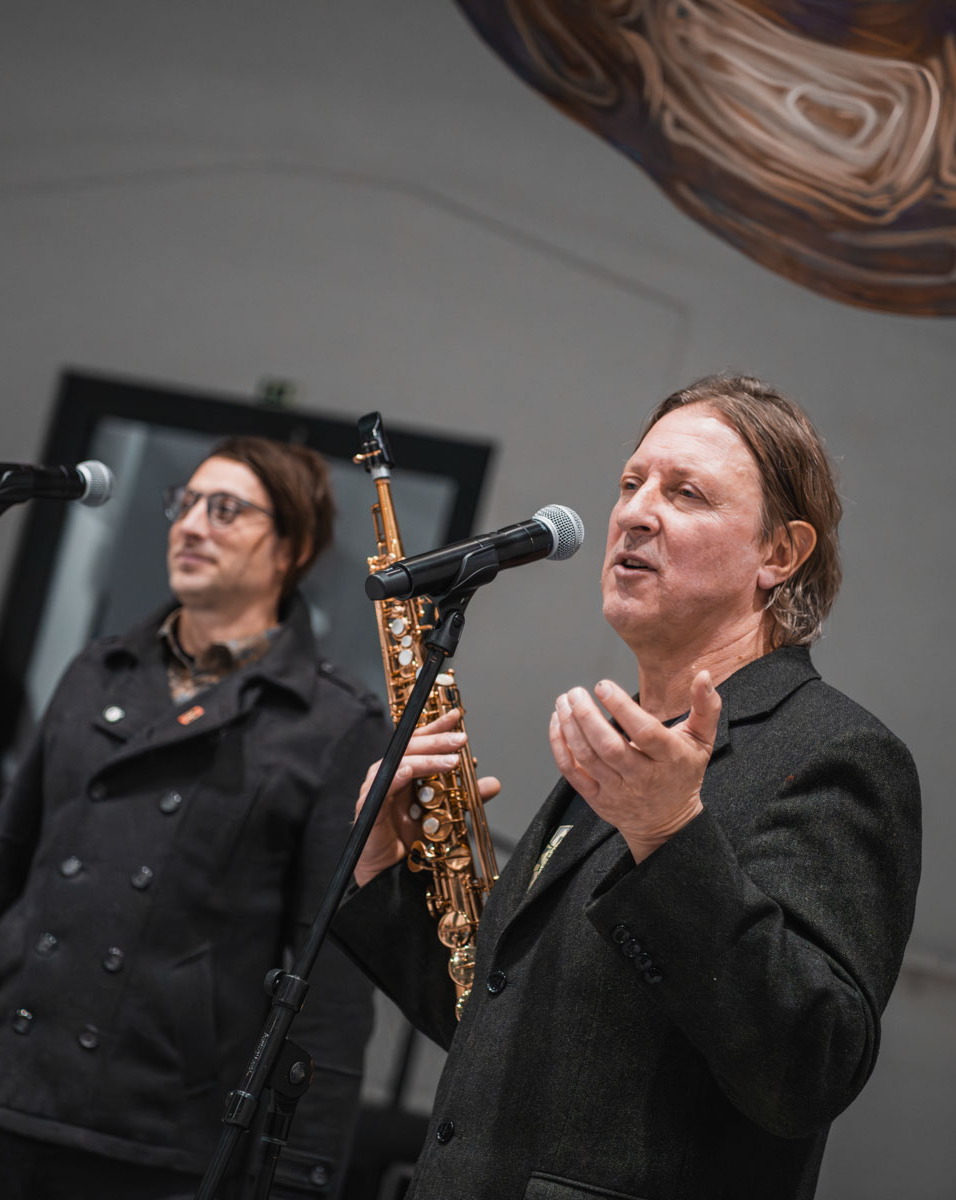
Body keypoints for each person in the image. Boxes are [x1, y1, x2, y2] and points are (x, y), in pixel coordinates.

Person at [336, 375, 922, 1200]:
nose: (635, 513)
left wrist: (670, 838)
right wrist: (378, 870)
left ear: (780, 555)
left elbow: (808, 1068)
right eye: (630, 483)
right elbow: (499, 1026)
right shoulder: (628, 748)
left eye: (686, 493)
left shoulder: (837, 753)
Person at [0, 437, 388, 1200]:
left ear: (293, 548)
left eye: (227, 510)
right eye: (186, 503)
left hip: (156, 1139)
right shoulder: (96, 671)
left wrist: (300, 1178)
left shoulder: (332, 725)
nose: (191, 525)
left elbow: (329, 983)